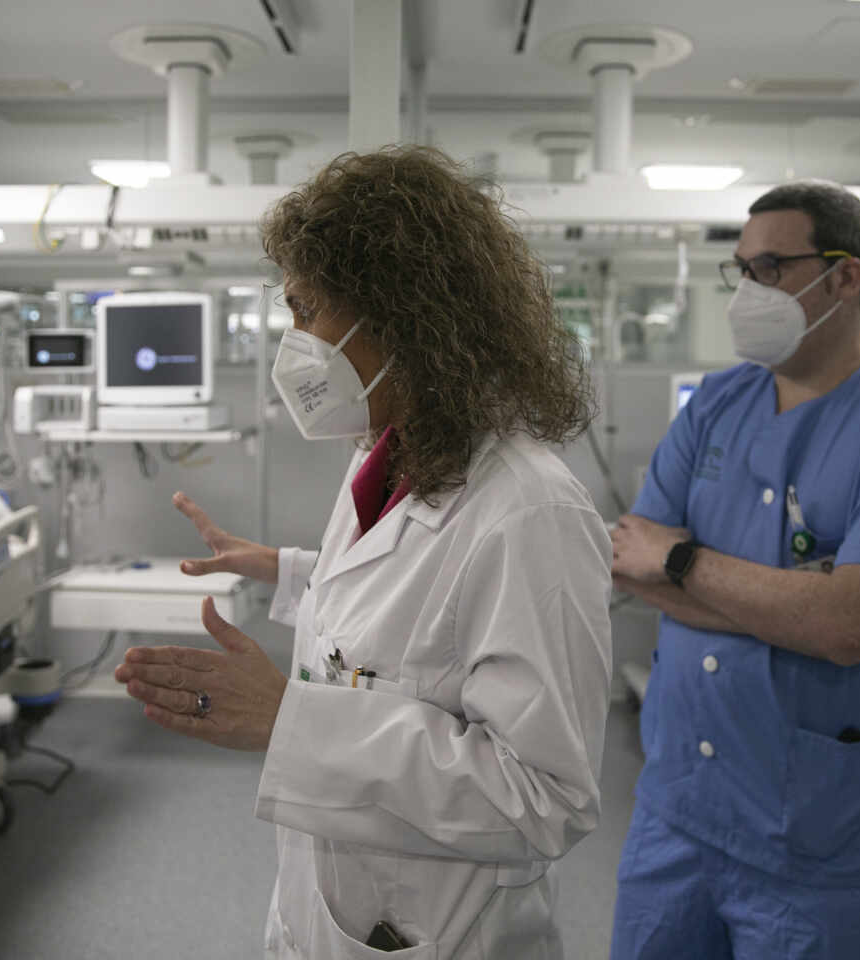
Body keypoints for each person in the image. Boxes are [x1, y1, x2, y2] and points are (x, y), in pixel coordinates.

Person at [113, 146, 613, 960]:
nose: (295, 342)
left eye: (307, 311)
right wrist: (293, 572)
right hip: (334, 909)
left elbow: (545, 801)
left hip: (445, 931)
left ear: (399, 311)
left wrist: (289, 721)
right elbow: (410, 626)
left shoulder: (530, 510)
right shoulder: (389, 453)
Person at [608, 181, 860, 959]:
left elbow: (849, 627)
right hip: (676, 810)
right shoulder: (717, 404)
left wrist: (685, 561)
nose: (751, 289)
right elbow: (630, 565)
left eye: (774, 267)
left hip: (819, 838)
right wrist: (797, 604)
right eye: (742, 271)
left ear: (844, 276)